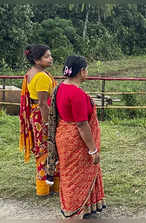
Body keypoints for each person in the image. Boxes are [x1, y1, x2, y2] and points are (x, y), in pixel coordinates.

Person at [46, 55, 105, 219]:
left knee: (69, 176)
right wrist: (93, 150)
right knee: (76, 178)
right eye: (87, 69)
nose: (87, 72)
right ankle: (73, 212)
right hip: (76, 141)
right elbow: (82, 124)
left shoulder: (60, 88)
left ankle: (77, 208)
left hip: (62, 136)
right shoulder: (76, 93)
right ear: (82, 71)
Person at [19, 44, 59, 196]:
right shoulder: (42, 76)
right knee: (48, 149)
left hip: (35, 115)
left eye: (50, 55)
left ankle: (45, 187)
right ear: (37, 60)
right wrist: (49, 123)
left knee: (42, 150)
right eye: (47, 56)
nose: (51, 58)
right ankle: (47, 188)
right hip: (43, 116)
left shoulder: (31, 73)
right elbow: (43, 103)